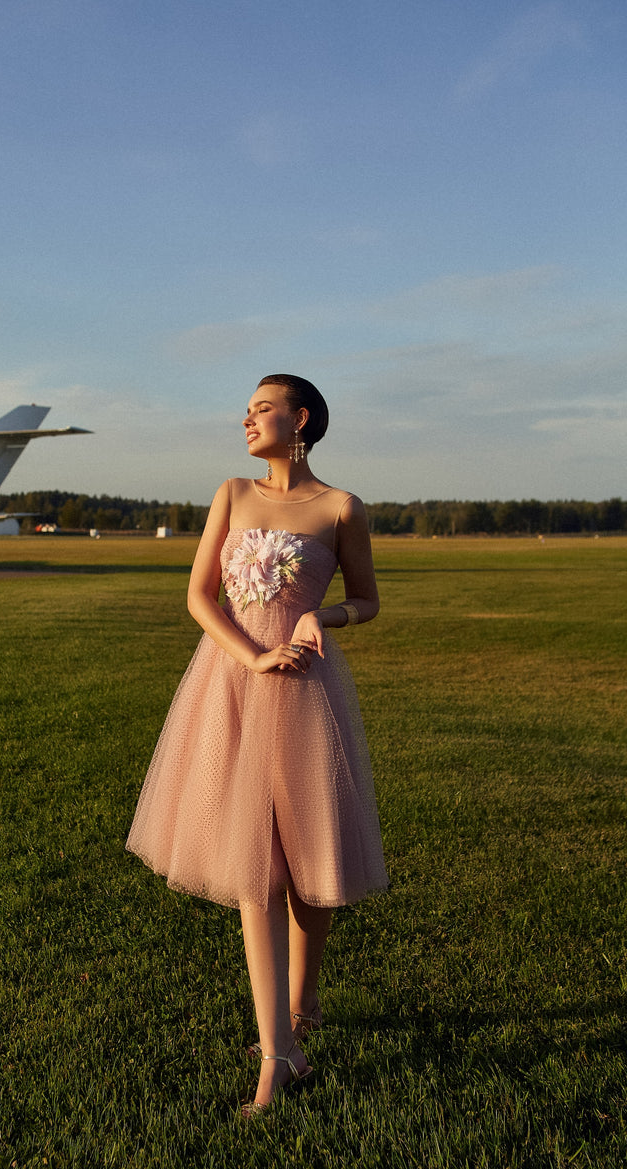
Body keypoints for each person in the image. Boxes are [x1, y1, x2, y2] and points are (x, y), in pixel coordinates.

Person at [127, 373, 388, 1117]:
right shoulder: (232, 493)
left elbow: (368, 600)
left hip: (307, 690)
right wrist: (252, 657)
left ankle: (302, 1012)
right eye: (246, 410)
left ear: (300, 419)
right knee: (255, 869)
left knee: (313, 859)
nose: (246, 419)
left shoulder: (341, 507)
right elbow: (198, 596)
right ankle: (277, 1053)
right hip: (234, 685)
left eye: (262, 408)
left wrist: (324, 620)